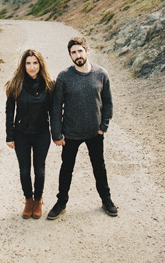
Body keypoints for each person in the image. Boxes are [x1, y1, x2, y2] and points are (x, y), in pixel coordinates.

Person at [47, 36, 117, 219]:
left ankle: (106, 200)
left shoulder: (101, 74)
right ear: (70, 55)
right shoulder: (64, 77)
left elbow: (108, 102)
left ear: (87, 51)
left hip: (95, 132)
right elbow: (56, 108)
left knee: (99, 167)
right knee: (66, 168)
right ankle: (61, 202)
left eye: (80, 51)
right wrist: (57, 133)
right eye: (73, 52)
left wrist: (104, 126)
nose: (77, 55)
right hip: (70, 133)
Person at [5, 49, 54, 219]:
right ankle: (28, 200)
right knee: (24, 170)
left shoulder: (48, 85)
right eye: (28, 63)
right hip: (22, 134)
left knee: (39, 170)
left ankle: (38, 200)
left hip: (41, 134)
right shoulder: (16, 84)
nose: (32, 67)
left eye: (35, 63)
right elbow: (9, 112)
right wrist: (9, 136)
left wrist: (57, 134)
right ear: (23, 65)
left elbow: (54, 113)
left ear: (40, 64)